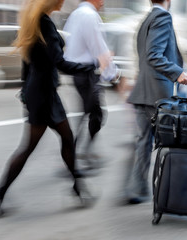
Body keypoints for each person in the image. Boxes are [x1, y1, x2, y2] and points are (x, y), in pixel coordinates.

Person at [0, 0, 96, 217]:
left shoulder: (34, 22)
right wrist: (89, 66)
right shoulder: (45, 24)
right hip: (44, 95)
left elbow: (27, 62)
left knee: (66, 139)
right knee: (33, 146)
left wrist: (26, 91)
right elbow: (60, 62)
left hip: (41, 93)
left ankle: (77, 186)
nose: (63, 2)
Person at [125, 0, 187, 204]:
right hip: (157, 94)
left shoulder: (146, 19)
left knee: (144, 142)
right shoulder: (163, 17)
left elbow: (144, 56)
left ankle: (137, 188)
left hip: (143, 91)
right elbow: (153, 55)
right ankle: (175, 193)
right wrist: (177, 73)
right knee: (172, 141)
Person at [63, 0, 117, 169]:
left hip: (78, 72)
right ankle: (80, 152)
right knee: (96, 114)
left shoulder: (75, 15)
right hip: (87, 73)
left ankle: (80, 151)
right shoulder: (90, 15)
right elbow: (98, 48)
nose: (103, 2)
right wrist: (112, 73)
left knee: (89, 112)